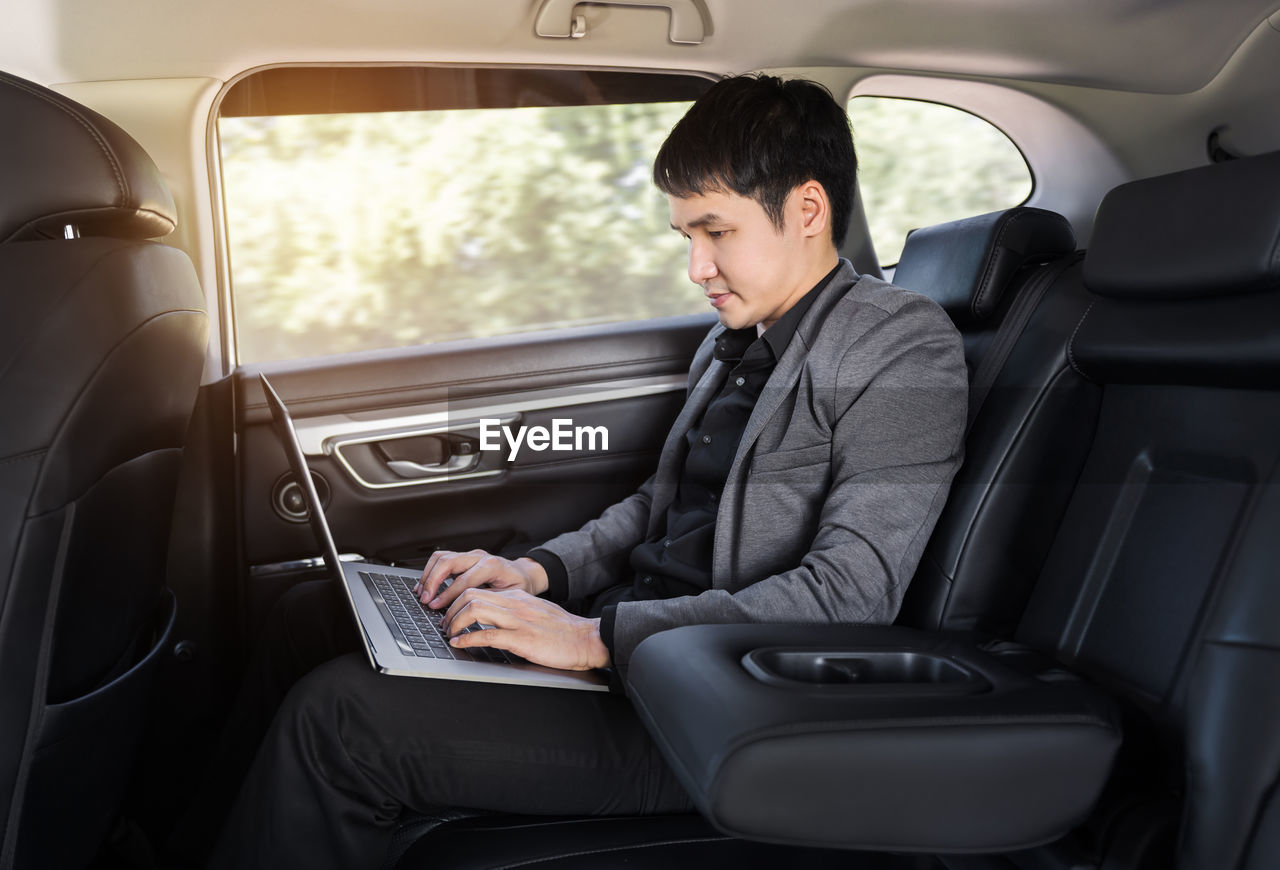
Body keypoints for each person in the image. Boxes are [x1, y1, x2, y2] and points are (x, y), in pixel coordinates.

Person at [207, 74, 967, 869]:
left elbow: (851, 595)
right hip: (629, 648)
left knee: (340, 721)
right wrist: (535, 575)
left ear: (808, 211)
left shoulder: (902, 344)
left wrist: (595, 639)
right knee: (307, 613)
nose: (696, 266)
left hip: (712, 708)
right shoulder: (733, 339)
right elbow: (654, 508)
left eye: (716, 232)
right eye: (685, 237)